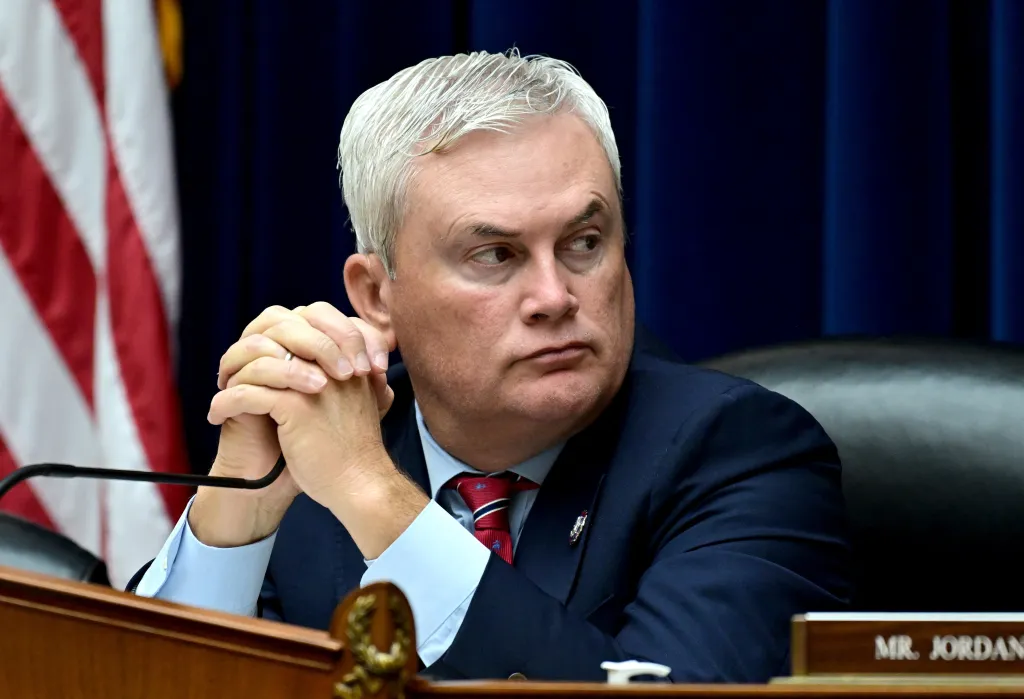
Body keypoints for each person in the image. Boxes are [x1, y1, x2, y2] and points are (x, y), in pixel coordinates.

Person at [132, 49, 851, 683]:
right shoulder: (322, 458)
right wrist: (236, 516)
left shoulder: (740, 453)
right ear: (377, 297)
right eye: (496, 255)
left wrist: (376, 498)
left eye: (584, 241)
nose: (554, 296)